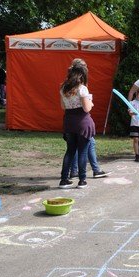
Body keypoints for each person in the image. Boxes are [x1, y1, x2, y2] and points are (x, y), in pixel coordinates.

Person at [58, 59, 95, 189]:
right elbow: (87, 108)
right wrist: (90, 101)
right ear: (82, 74)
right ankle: (82, 180)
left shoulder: (63, 87)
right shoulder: (82, 89)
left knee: (70, 151)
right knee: (82, 152)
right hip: (82, 122)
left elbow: (63, 106)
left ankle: (64, 179)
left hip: (69, 122)